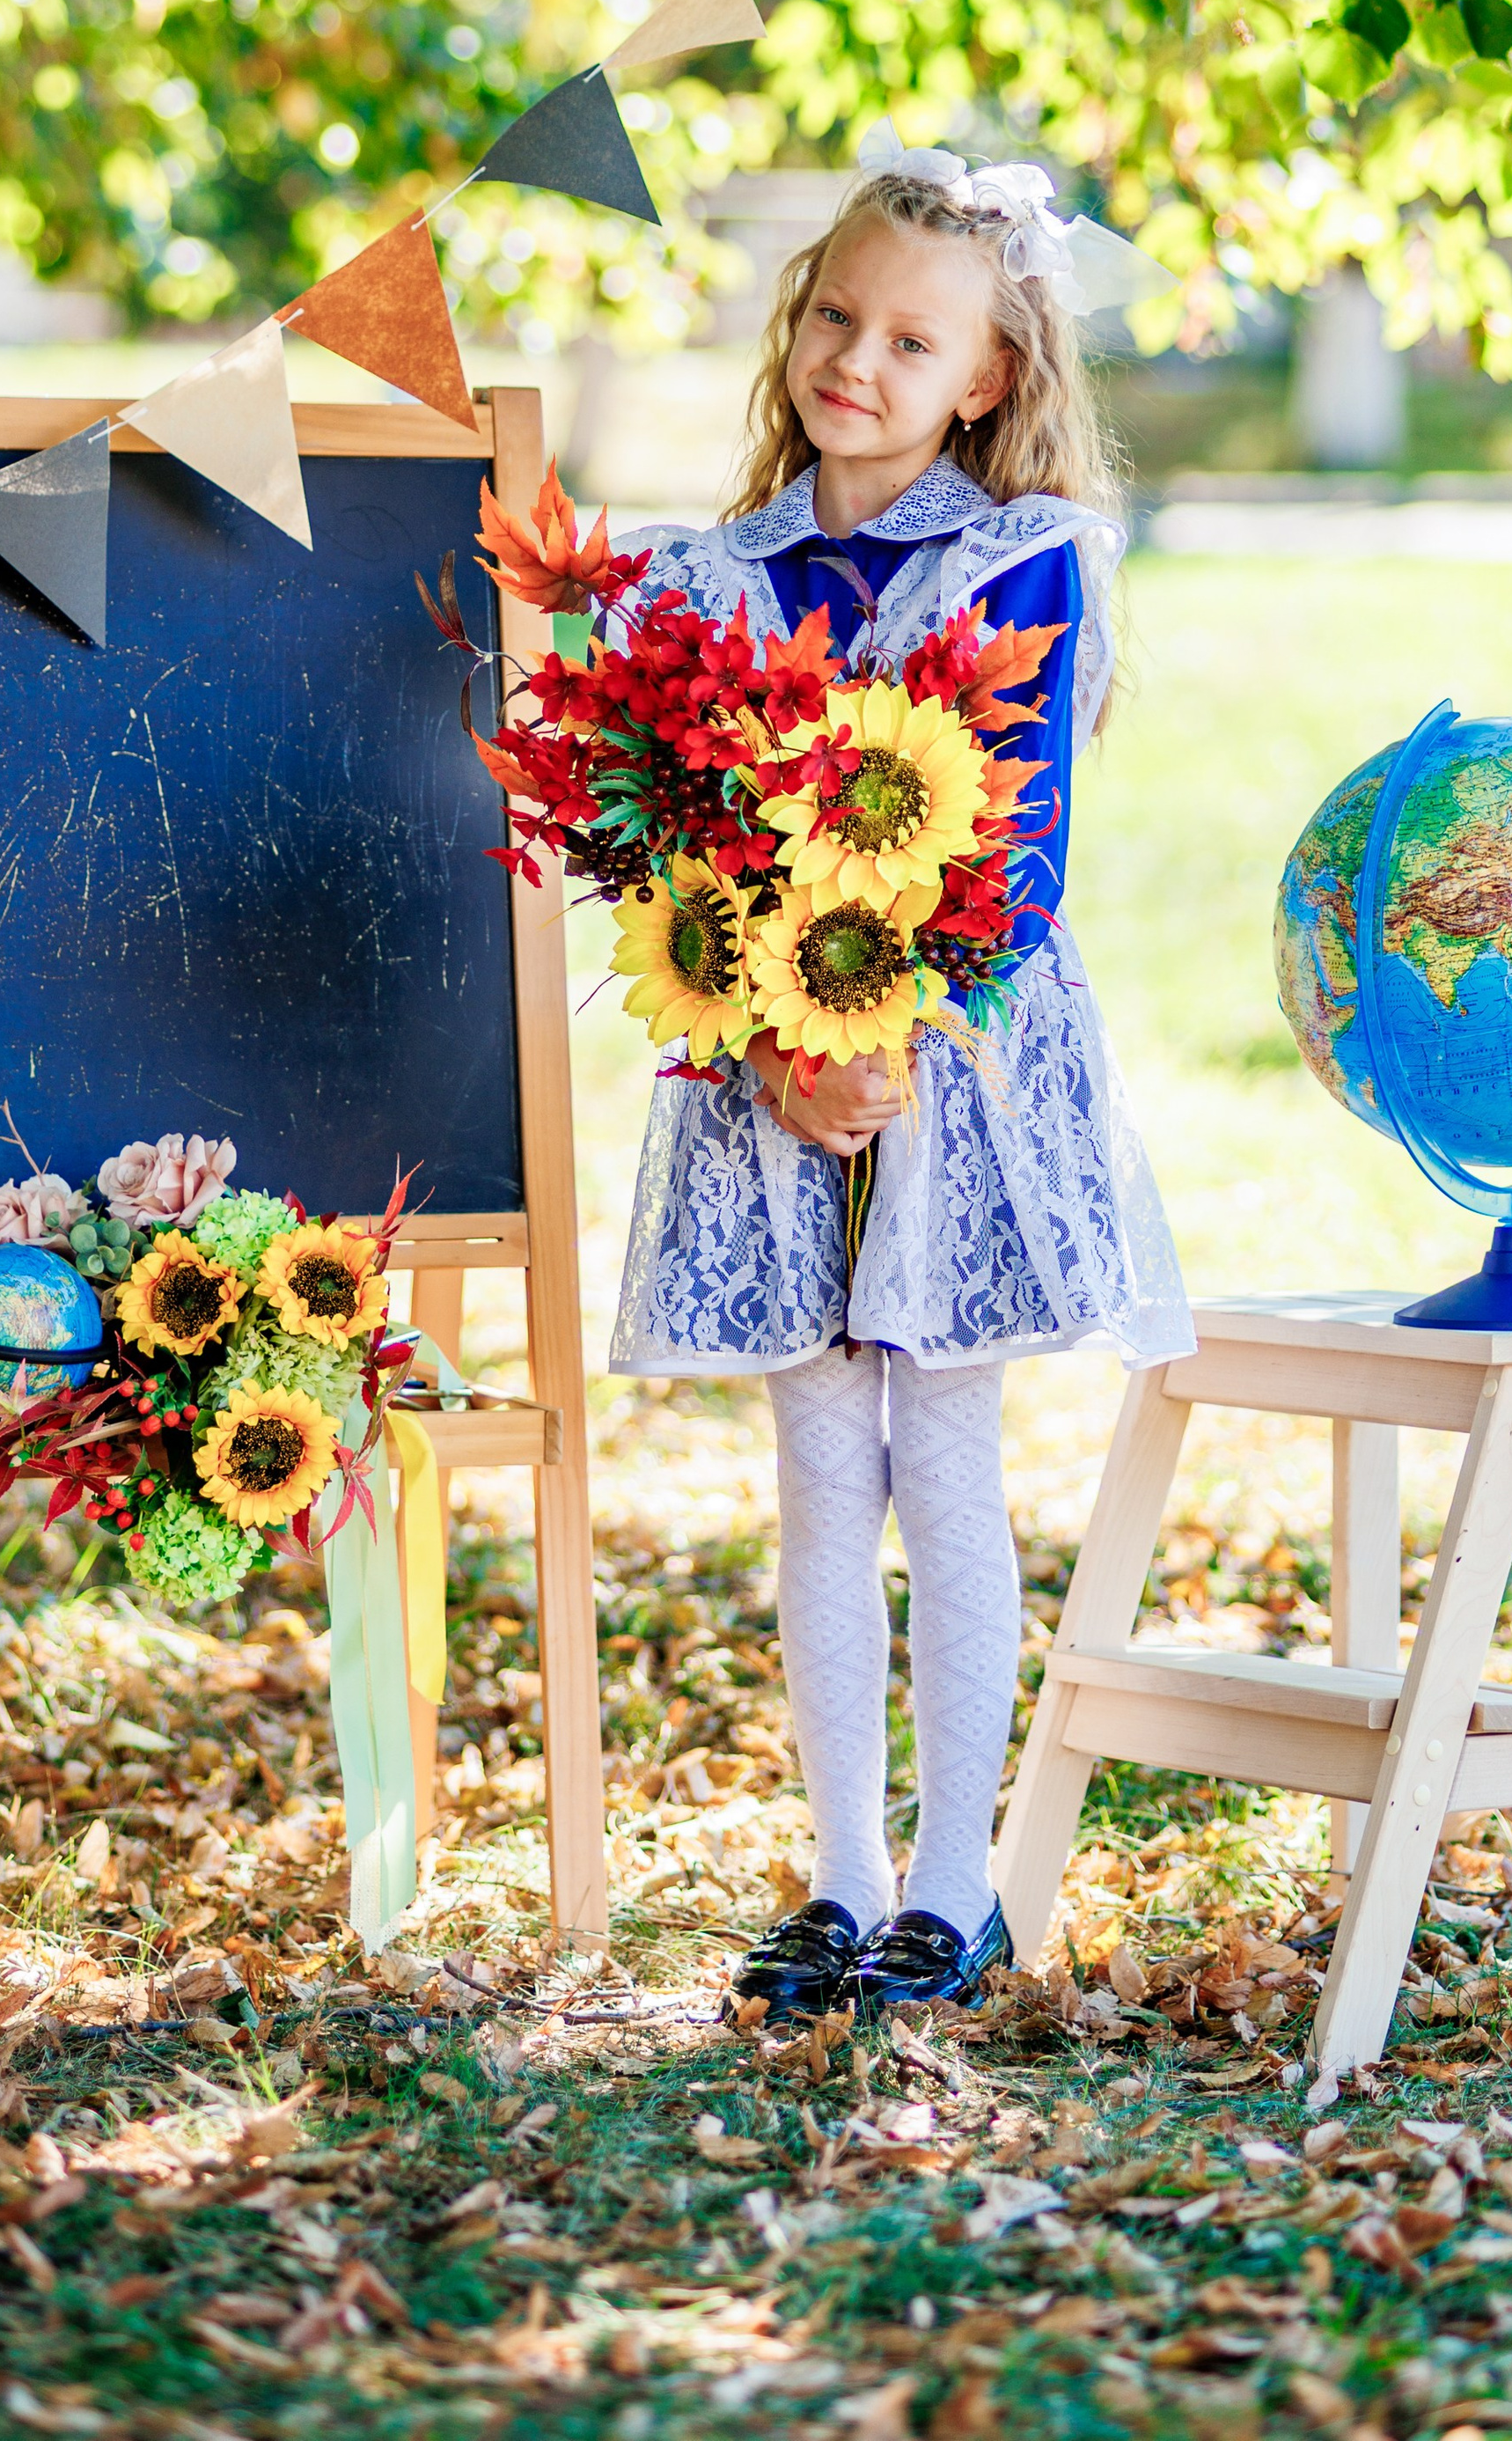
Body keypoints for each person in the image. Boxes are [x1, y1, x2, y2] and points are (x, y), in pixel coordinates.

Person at [606, 128, 1191, 2014]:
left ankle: (958, 1878)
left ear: (989, 376)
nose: (857, 362)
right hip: (767, 1074)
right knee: (809, 1472)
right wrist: (774, 1051)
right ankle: (840, 1875)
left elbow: (1010, 852)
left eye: (913, 341)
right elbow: (671, 836)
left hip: (951, 1071)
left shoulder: (1020, 562)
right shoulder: (710, 574)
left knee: (937, 1458)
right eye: (836, 317)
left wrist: (872, 1042)